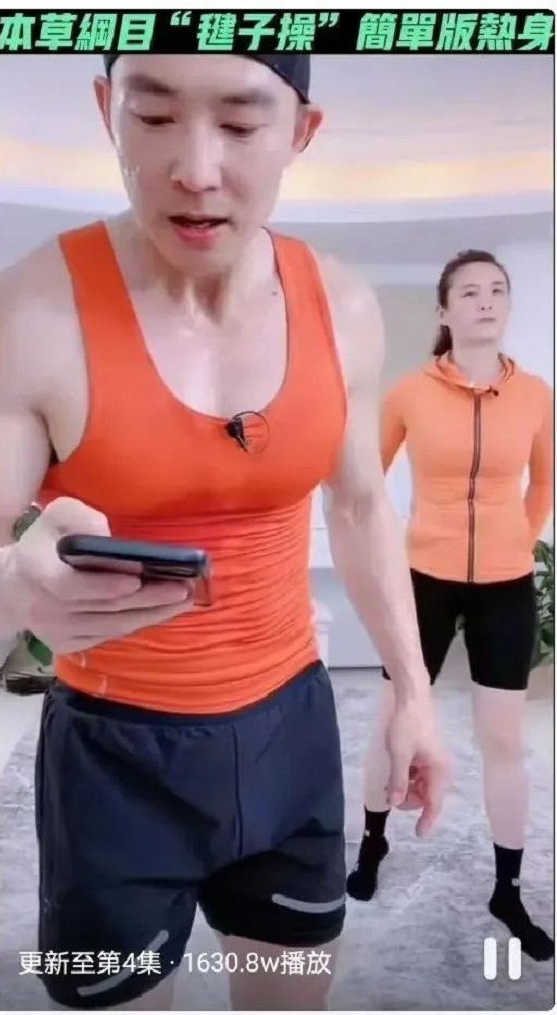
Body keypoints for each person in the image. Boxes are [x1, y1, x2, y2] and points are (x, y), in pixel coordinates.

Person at [0, 53, 450, 1012]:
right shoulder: (31, 311)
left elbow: (361, 506)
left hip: (291, 727)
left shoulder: (344, 305)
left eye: (240, 125)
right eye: (154, 117)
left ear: (302, 132)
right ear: (106, 111)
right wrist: (9, 587)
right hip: (113, 751)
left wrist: (412, 692)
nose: (196, 170)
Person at [347, 249, 554, 962]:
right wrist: (384, 556)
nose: (485, 301)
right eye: (469, 292)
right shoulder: (409, 393)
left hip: (506, 586)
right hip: (424, 580)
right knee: (392, 724)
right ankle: (372, 843)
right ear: (445, 310)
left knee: (504, 743)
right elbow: (365, 486)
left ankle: (508, 889)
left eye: (497, 290)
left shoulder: (536, 395)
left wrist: (515, 542)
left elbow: (542, 484)